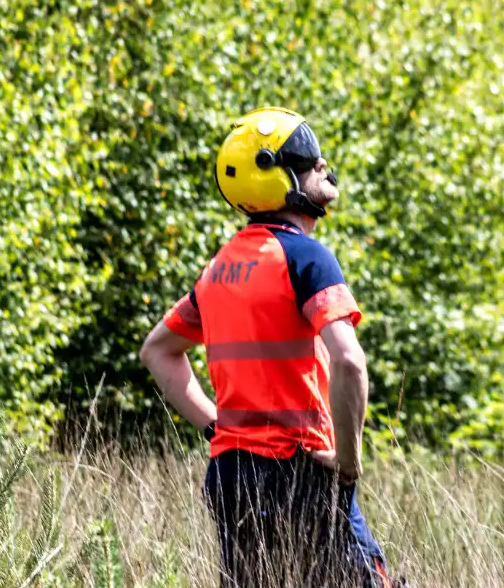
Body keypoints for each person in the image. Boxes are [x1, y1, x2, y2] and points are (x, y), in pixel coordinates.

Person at [139, 107, 396, 587]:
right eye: (307, 157)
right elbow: (349, 362)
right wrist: (349, 459)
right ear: (275, 177)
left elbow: (157, 350)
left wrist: (216, 426)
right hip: (301, 474)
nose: (322, 163)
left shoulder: (219, 267)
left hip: (231, 477)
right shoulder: (306, 258)